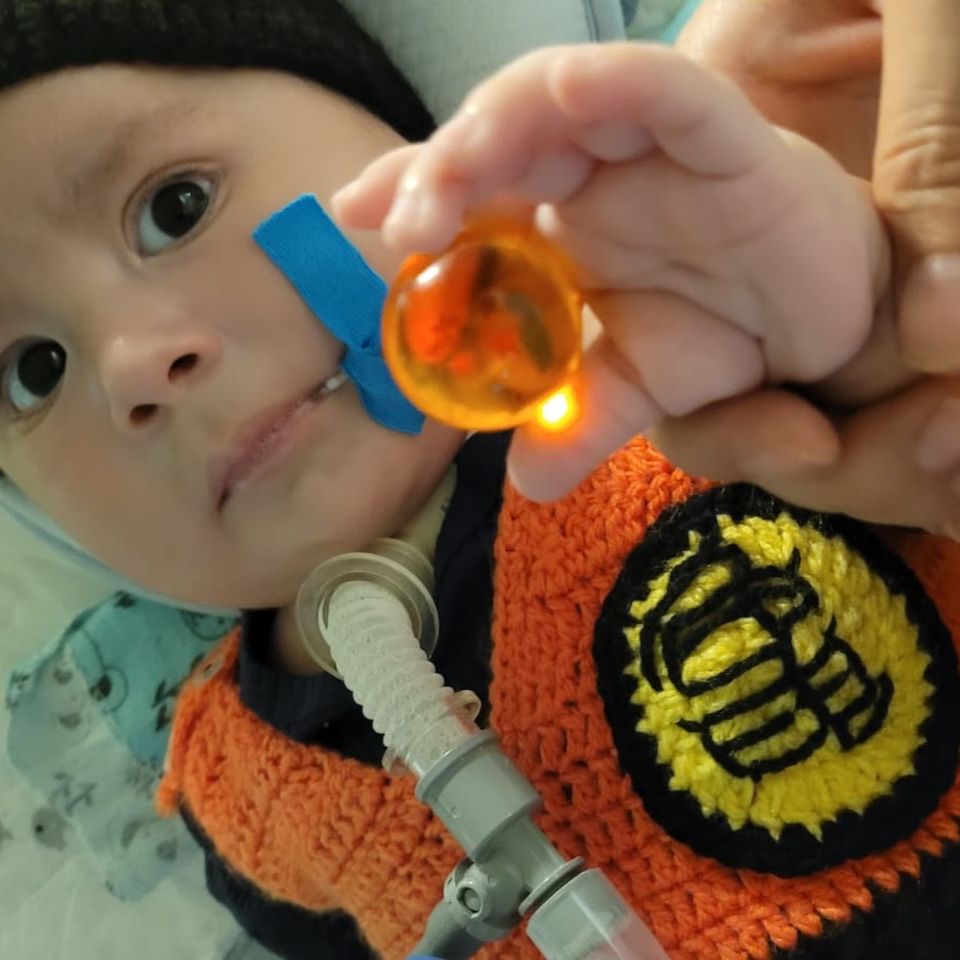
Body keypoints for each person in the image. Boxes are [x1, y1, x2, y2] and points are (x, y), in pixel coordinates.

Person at [0, 3, 959, 960]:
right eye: (32, 372)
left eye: (176, 208)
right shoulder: (245, 802)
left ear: (427, 147)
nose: (131, 367)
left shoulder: (682, 371)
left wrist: (861, 339)